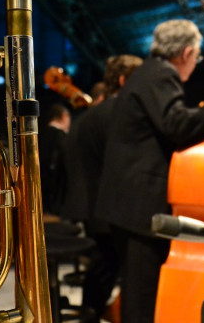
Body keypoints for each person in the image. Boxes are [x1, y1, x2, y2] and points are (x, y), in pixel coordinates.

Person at [94, 19, 204, 322]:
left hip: (128, 203)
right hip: (138, 207)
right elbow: (178, 125)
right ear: (185, 52)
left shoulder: (147, 73)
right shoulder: (160, 75)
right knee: (141, 298)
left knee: (139, 292)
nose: (195, 63)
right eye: (197, 56)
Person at [60, 54, 143, 322]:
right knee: (112, 268)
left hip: (92, 204)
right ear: (123, 80)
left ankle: (92, 312)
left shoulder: (90, 115)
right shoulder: (119, 114)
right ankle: (94, 313)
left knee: (104, 267)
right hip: (112, 206)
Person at [39, 103, 71, 215]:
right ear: (64, 116)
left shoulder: (40, 134)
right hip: (57, 190)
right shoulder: (61, 137)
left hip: (42, 186)